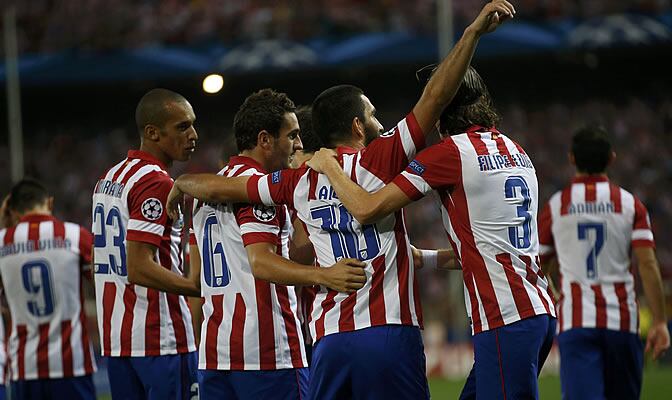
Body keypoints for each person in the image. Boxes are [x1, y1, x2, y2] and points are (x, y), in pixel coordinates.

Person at [167, 2, 514, 398]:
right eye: (372, 114)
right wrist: (471, 35)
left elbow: (227, 188)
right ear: (356, 125)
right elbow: (435, 95)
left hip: (329, 341)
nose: (381, 122)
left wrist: (184, 182)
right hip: (388, 334)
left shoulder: (296, 180)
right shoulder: (381, 158)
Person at [305, 38, 556, 400]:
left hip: (505, 317)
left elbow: (367, 208)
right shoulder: (516, 150)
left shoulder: (448, 153)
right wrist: (426, 257)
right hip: (538, 309)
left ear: (444, 110)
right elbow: (490, 247)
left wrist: (328, 163)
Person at [188, 89, 368, 400]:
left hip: (216, 352)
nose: (299, 145)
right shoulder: (258, 192)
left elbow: (203, 279)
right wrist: (324, 275)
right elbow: (262, 263)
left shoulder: (207, 190)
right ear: (264, 140)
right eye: (293, 135)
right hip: (267, 351)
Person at [537, 126, 670, 399]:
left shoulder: (557, 206)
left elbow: (539, 267)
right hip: (622, 323)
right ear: (612, 158)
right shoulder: (631, 205)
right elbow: (648, 264)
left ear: (571, 158)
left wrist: (561, 296)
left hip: (578, 323)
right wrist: (659, 321)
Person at [91, 88, 200, 399]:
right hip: (160, 336)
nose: (193, 134)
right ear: (153, 132)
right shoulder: (155, 182)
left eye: (192, 124)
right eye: (182, 127)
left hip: (118, 339)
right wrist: (197, 288)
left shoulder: (109, 177)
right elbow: (139, 267)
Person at [0, 179, 97, 399]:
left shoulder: (3, 242)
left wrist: (3, 226)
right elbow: (104, 283)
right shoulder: (74, 235)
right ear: (50, 203)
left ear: (13, 212)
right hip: (72, 365)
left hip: (25, 367)